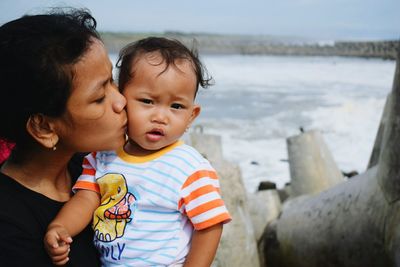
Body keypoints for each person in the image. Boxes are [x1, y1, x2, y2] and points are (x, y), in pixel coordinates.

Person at [45, 37, 232, 266]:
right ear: (122, 100)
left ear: (191, 116)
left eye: (176, 106)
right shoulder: (102, 156)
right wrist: (62, 227)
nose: (160, 117)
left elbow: (210, 224)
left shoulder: (189, 168)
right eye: (147, 101)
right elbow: (86, 198)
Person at [0, 8, 127, 266]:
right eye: (99, 98)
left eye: (112, 81)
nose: (121, 101)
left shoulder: (93, 165)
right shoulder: (9, 228)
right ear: (44, 128)